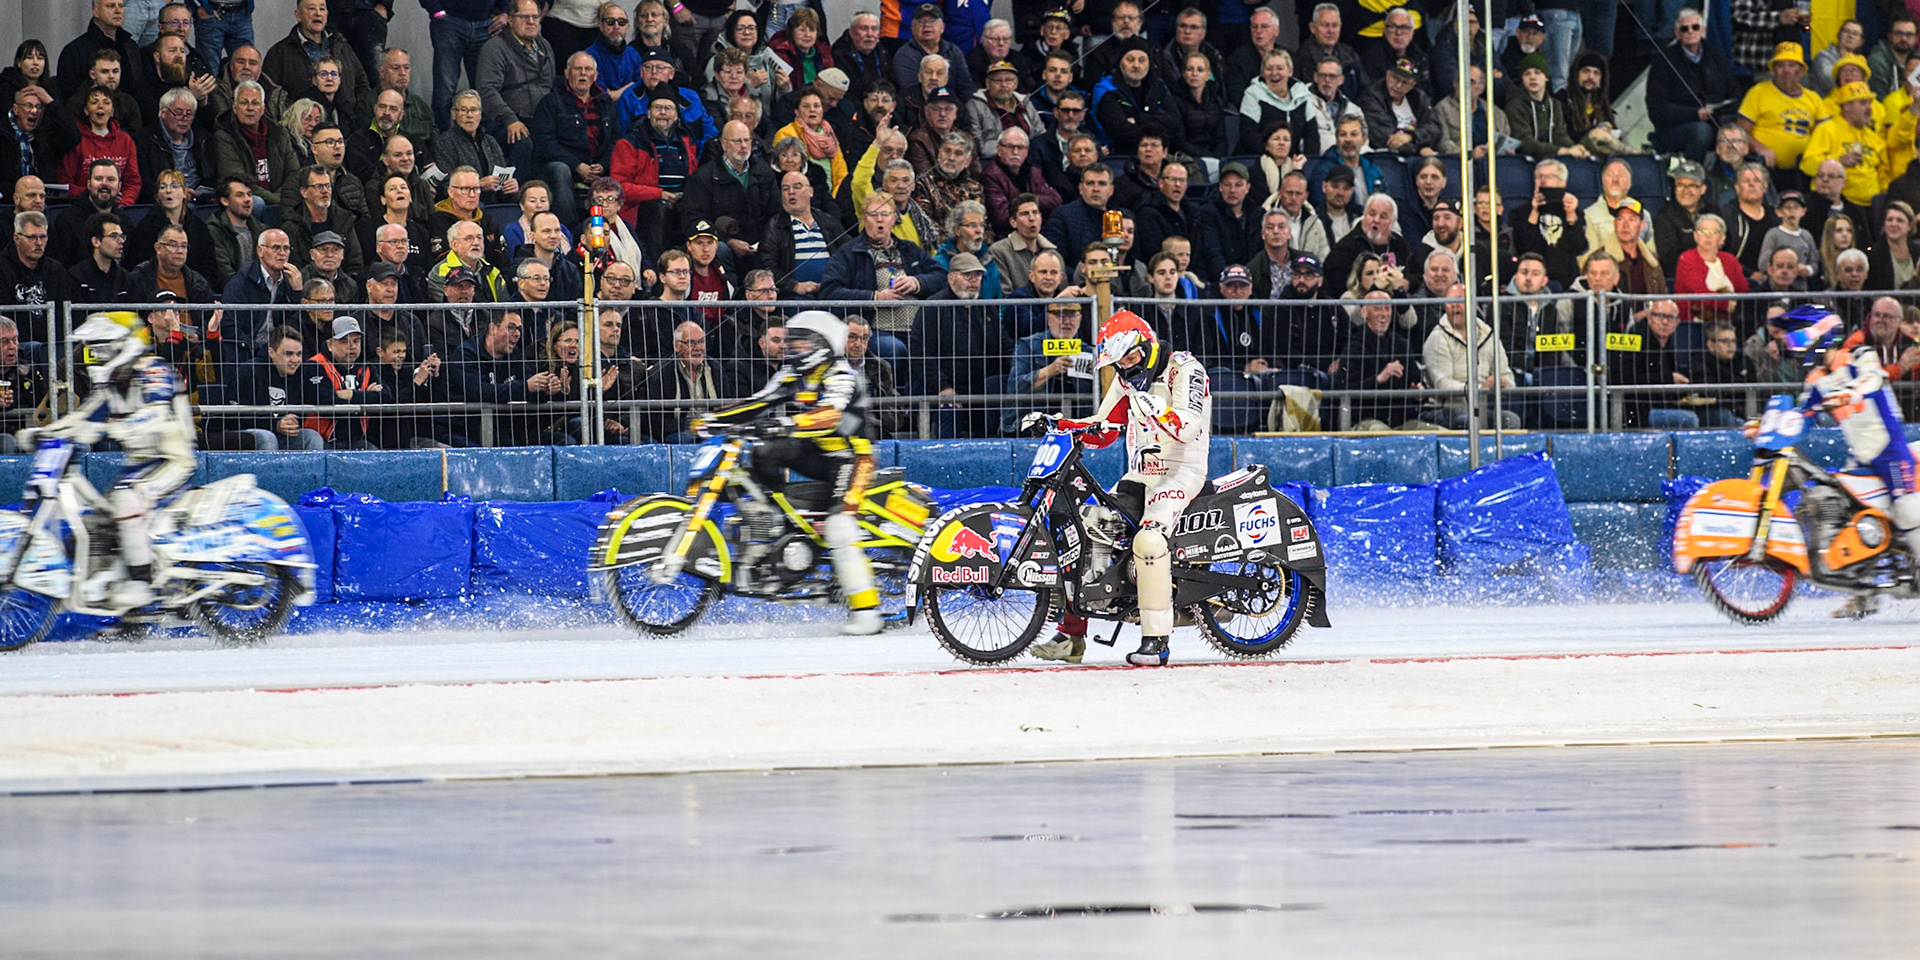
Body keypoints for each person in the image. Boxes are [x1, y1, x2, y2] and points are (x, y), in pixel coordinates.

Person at [1027, 309, 1210, 668]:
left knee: (1149, 541)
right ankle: (1071, 635)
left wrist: (1156, 410)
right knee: (1086, 528)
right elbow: (1104, 428)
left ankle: (1156, 640)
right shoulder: (1127, 378)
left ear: (1148, 345)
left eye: (1131, 358)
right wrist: (1057, 424)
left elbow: (1187, 427)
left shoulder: (1186, 370)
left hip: (1181, 472)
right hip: (1141, 472)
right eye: (1120, 362)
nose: (1127, 367)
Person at [696, 311, 883, 635]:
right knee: (765, 452)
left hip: (852, 458)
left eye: (801, 341)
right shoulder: (793, 372)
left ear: (822, 344)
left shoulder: (840, 373)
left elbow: (829, 415)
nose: (793, 347)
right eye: (792, 340)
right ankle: (777, 532)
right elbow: (759, 402)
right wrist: (716, 418)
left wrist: (786, 423)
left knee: (839, 527)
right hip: (817, 452)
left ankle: (867, 611)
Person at [34, 310, 195, 607]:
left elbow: (155, 415)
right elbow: (82, 417)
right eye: (95, 348)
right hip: (138, 468)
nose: (99, 355)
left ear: (125, 344)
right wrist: (43, 433)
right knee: (99, 523)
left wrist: (109, 429)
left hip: (172, 461)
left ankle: (141, 583)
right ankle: (128, 610)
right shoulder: (112, 384)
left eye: (105, 347)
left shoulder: (154, 369)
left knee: (127, 501)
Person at [1773, 303, 1920, 616]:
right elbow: (1802, 417)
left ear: (1819, 335)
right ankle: (1864, 594)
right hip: (1861, 458)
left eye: (1797, 339)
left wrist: (1852, 391)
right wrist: (1768, 426)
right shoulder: (1817, 380)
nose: (1794, 348)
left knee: (1907, 510)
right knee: (1849, 518)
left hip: (1890, 452)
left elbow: (1874, 379)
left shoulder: (1859, 354)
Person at [1739, 42, 1829, 181]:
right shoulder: (1758, 92)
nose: (1786, 70)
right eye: (1780, 65)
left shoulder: (1814, 98)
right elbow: (1740, 131)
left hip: (1805, 171)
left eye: (1792, 65)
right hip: (1765, 168)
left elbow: (1826, 135)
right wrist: (1759, 147)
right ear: (1774, 69)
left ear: (1801, 71)